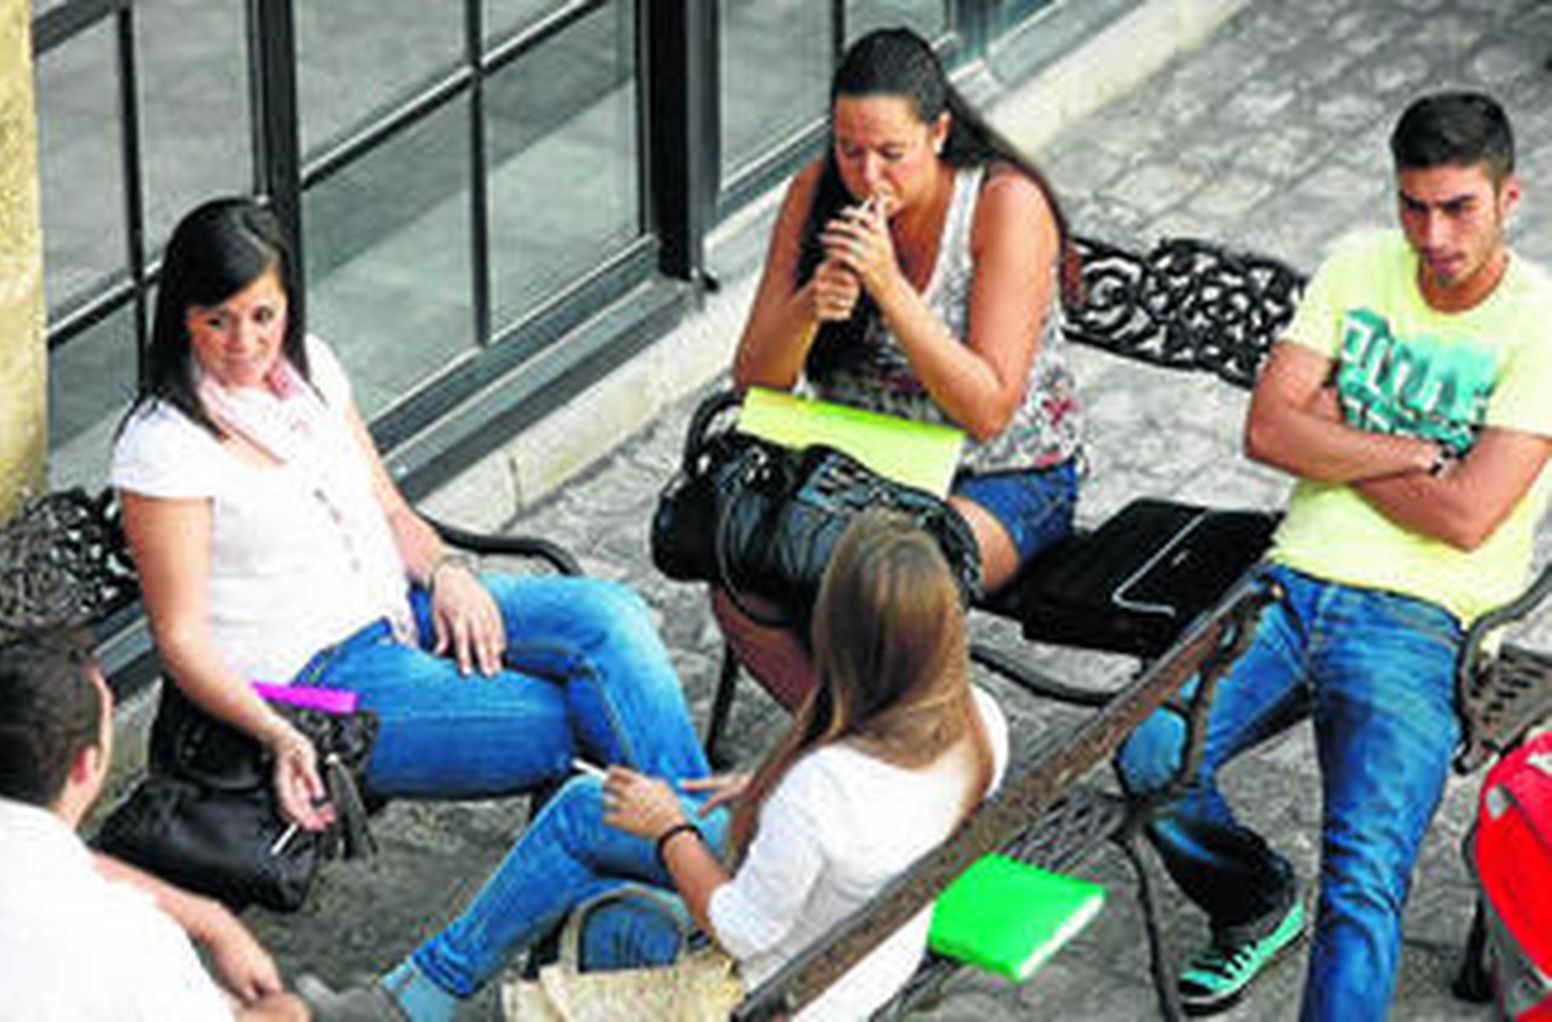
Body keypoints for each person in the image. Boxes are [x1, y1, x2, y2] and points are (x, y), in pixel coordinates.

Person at [1115, 91, 1552, 1020]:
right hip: (1288, 585)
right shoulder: (1360, 264)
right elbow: (1268, 429)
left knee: (1363, 878)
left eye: (1457, 208)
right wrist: (1412, 451)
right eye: (1413, 205)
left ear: (1508, 198)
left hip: (1421, 623)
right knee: (1150, 750)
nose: (1432, 234)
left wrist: (1339, 431)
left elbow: (1471, 516)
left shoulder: (1538, 325)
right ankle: (1256, 901)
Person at [110, 197, 707, 839]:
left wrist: (448, 574)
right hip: (316, 686)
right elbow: (181, 643)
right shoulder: (163, 445)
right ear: (182, 316)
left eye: (263, 315)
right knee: (566, 714)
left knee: (610, 615)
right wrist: (279, 735)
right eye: (217, 321)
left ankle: (705, 867)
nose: (246, 343)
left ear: (289, 302)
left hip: (399, 610)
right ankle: (713, 863)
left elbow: (389, 509)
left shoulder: (308, 372)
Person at [303, 511, 1011, 1020]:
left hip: (784, 993)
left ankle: (408, 1004)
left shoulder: (824, 792)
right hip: (872, 955)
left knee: (601, 869)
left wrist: (670, 827)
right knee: (591, 805)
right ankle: (411, 1000)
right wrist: (766, 783)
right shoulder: (979, 719)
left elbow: (743, 929)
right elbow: (861, 804)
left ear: (840, 636)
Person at [733, 27, 1083, 595]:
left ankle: (885, 688)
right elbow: (753, 386)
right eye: (849, 149)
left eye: (891, 154)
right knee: (739, 579)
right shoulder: (813, 191)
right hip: (866, 462)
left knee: (889, 589)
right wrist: (808, 309)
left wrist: (890, 289)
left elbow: (988, 410)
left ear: (938, 132)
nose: (868, 176)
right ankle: (840, 691)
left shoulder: (1004, 206)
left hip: (999, 474)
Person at [0, 629, 307, 1020]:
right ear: (86, 765)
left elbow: (54, 860)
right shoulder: (130, 941)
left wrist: (211, 920)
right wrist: (284, 1012)